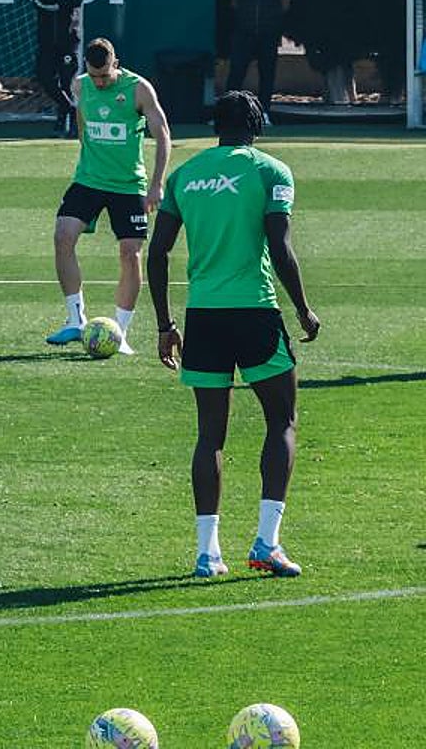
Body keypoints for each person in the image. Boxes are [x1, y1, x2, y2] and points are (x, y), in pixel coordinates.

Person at [147, 90, 320, 579]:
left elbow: (156, 254)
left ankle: (207, 553)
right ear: (257, 124)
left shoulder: (184, 176)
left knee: (210, 436)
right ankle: (267, 543)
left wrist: (165, 324)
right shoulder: (271, 171)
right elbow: (279, 246)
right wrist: (304, 310)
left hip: (203, 316)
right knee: (282, 421)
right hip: (255, 312)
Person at [46, 38, 171, 354]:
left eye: (104, 76)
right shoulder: (80, 85)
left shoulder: (138, 89)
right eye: (94, 75)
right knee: (63, 237)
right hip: (88, 180)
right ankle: (75, 320)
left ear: (115, 64)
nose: (98, 82)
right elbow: (82, 124)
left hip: (129, 186)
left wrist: (157, 185)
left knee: (130, 253)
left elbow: (163, 134)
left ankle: (121, 332)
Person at [226, 0, 292, 122]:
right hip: (244, 32)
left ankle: (263, 114)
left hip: (268, 33)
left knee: (267, 73)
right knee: (236, 72)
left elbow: (285, 2)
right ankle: (227, 114)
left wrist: (272, 21)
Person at [31, 0, 89, 138]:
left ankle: (67, 122)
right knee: (44, 77)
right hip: (46, 39)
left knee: (67, 82)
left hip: (68, 40)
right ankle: (71, 109)